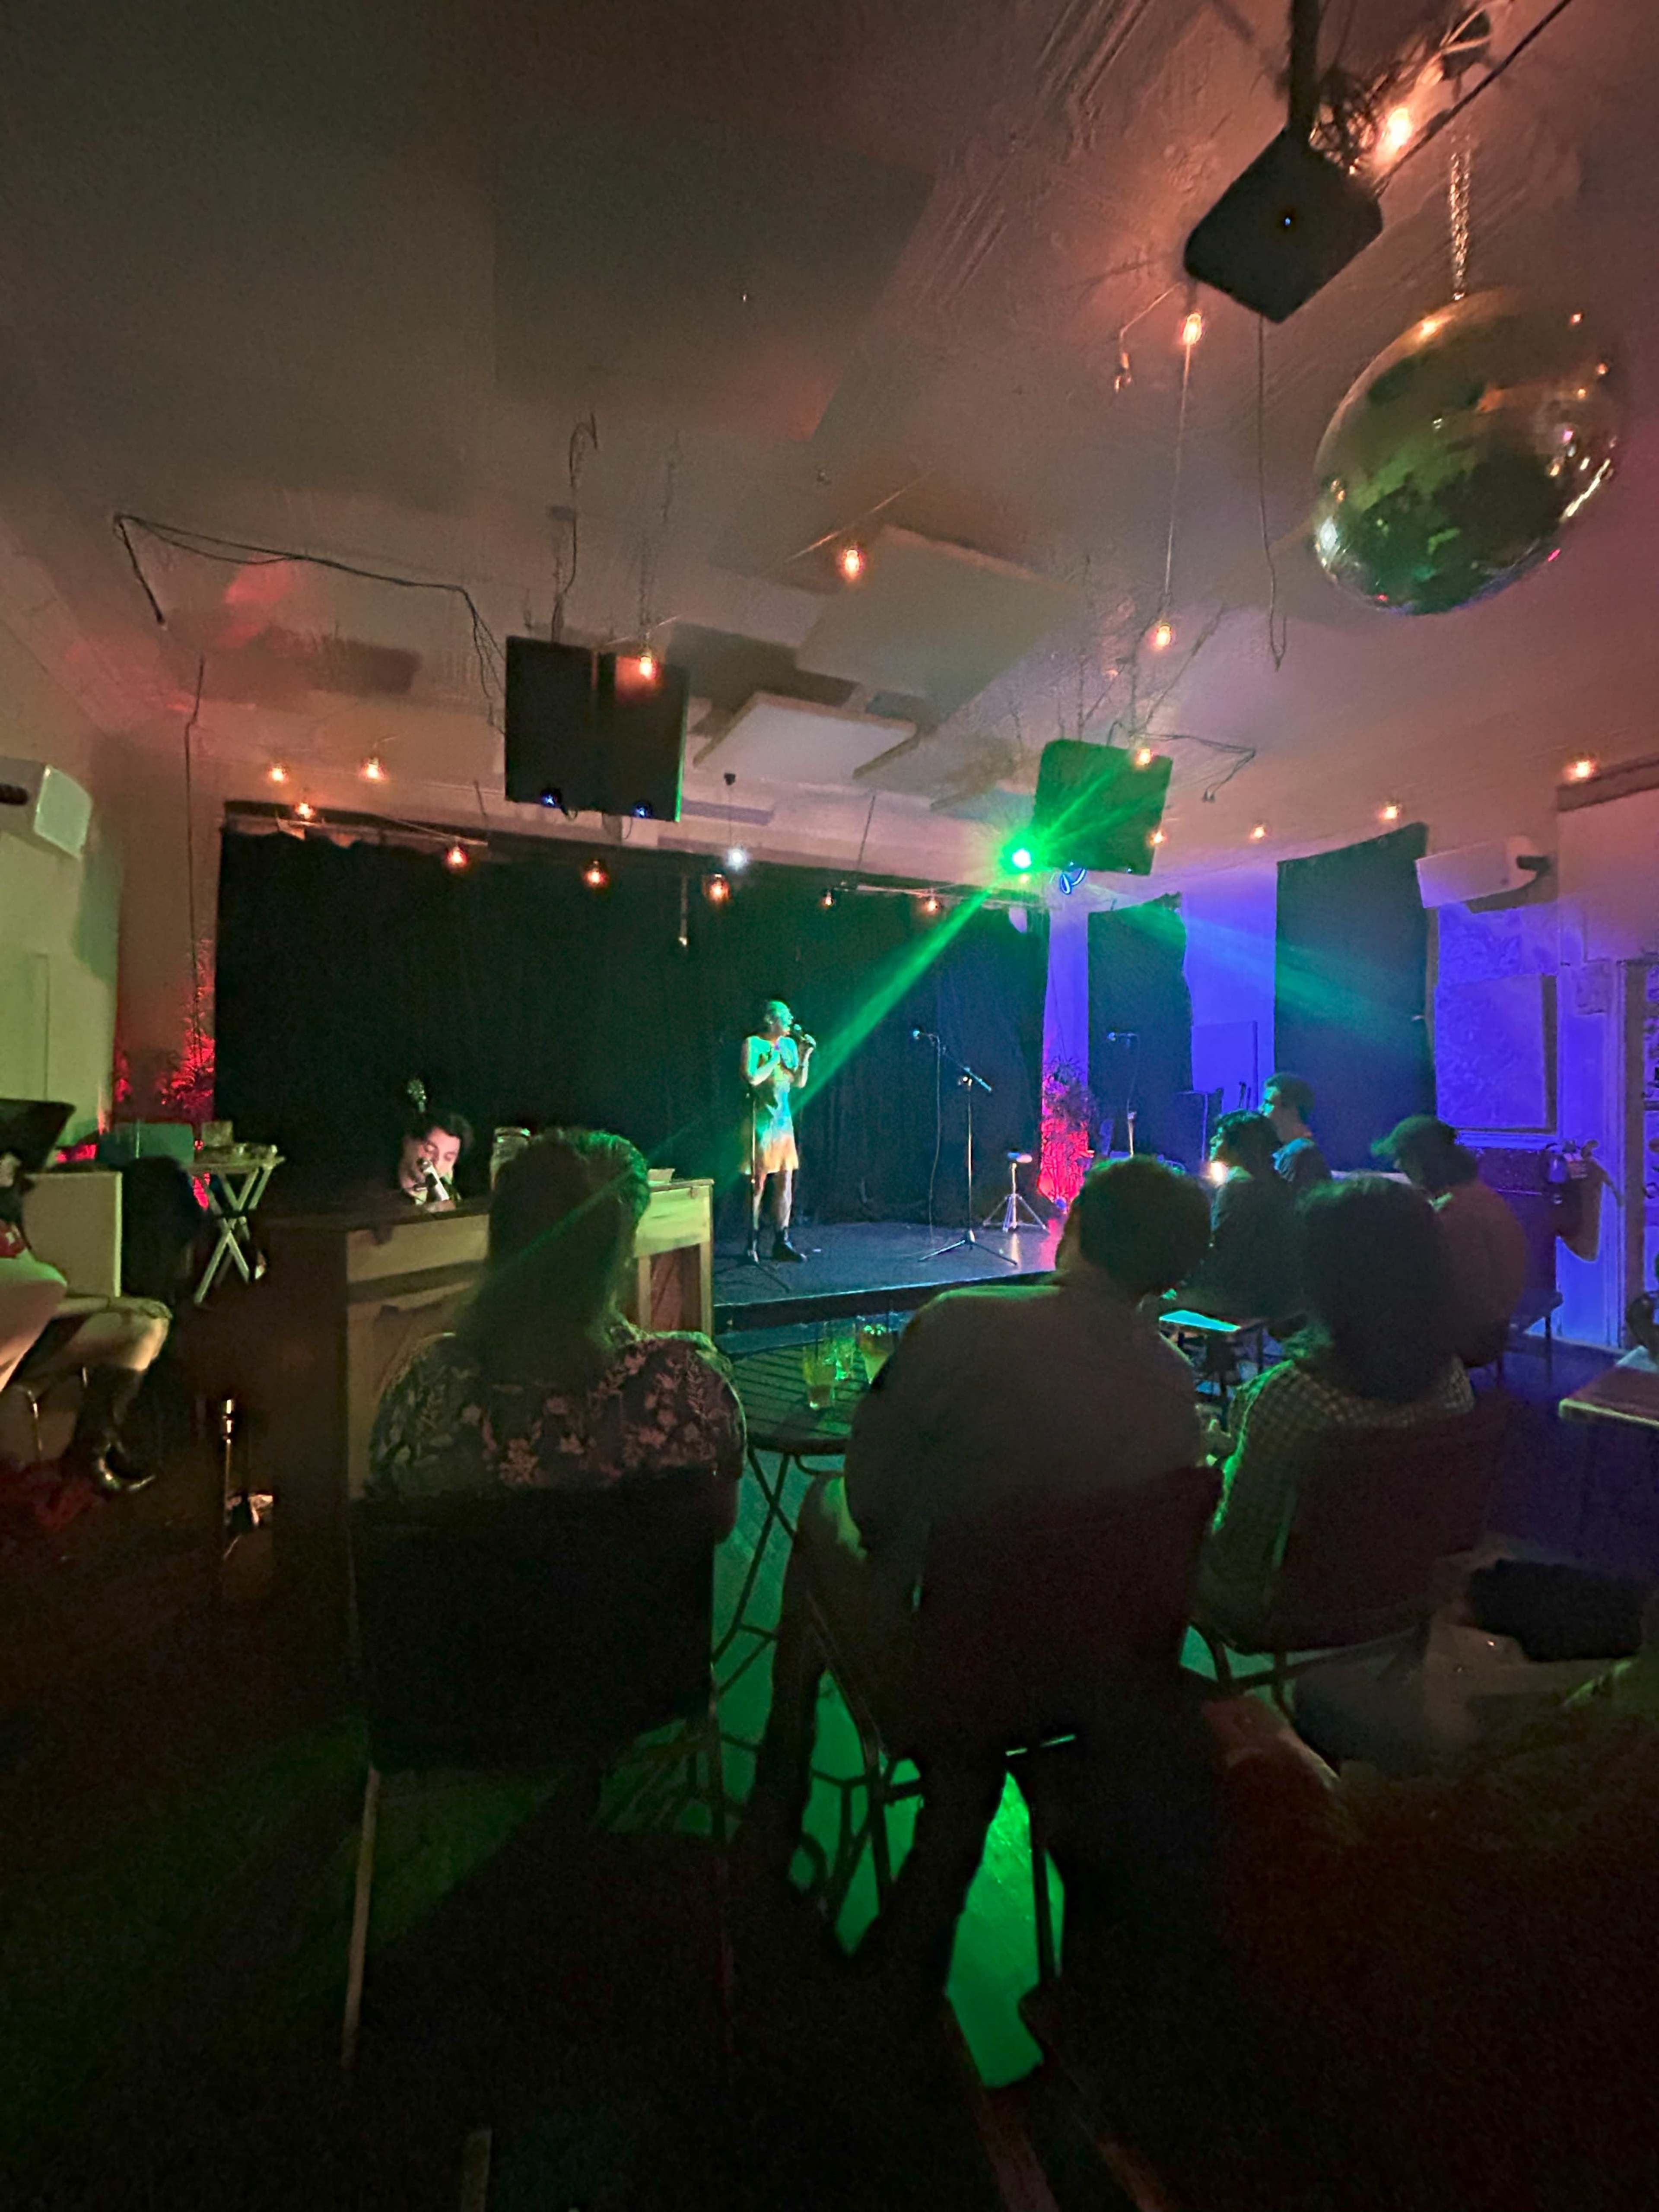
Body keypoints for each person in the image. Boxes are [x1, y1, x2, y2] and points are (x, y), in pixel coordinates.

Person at [742, 1154, 1212, 1997]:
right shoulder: (1176, 1387)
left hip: (952, 1680)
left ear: (1074, 1228)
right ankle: (920, 1910)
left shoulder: (960, 1324)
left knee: (821, 1513)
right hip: (1101, 1683)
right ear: (1175, 1268)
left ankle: (778, 1799)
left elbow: (870, 1500)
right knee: (991, 1664)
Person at [369, 1127, 744, 1502]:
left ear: (502, 1243)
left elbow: (386, 1507)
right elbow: (719, 1519)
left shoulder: (430, 1388)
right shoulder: (687, 1388)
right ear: (620, 1256)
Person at [1196, 1175, 1473, 1645]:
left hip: (1283, 1607)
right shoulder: (1451, 1377)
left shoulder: (1292, 1395)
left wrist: (1201, 1469)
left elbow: (1239, 1542)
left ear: (1323, 1277)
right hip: (1403, 1588)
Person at [0, 1149, 169, 1493]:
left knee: (148, 1323)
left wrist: (110, 1301)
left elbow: (44, 1290)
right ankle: (87, 1454)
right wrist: (108, 1303)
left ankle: (95, 1447)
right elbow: (34, 1301)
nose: (12, 1167)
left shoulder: (9, 1219)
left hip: (41, 1330)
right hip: (18, 1339)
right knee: (138, 1322)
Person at [1376, 1116, 1529, 1366]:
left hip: (1477, 1336)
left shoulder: (1455, 1212)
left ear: (1423, 1161)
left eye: (1403, 1157)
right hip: (1494, 1323)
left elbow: (1459, 1294)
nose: (1398, 1165)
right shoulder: (1475, 1193)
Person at [1181, 1110, 1300, 1323]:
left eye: (1220, 1136)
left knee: (1149, 1299)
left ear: (1239, 1146)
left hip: (1238, 1299)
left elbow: (1222, 1254)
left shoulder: (1238, 1187)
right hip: (1275, 1295)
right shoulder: (1278, 1183)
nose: (1213, 1141)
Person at [741, 999, 814, 1264]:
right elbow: (752, 1078)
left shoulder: (790, 1045)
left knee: (785, 1180)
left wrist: (804, 1057)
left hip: (783, 1122)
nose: (791, 1020)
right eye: (786, 1016)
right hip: (761, 1121)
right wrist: (773, 1059)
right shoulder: (754, 1044)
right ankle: (751, 1242)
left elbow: (799, 1083)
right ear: (771, 1020)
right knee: (758, 1182)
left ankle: (782, 1240)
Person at [1262, 1072, 1331, 1196]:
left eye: (1268, 1103)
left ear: (1292, 1111)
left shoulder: (1300, 1152)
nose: (1261, 1109)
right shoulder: (1290, 1150)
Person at [395, 1100, 473, 1208]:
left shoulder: (450, 1193)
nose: (437, 1163)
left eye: (448, 1158)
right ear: (408, 1142)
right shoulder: (375, 1192)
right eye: (429, 1150)